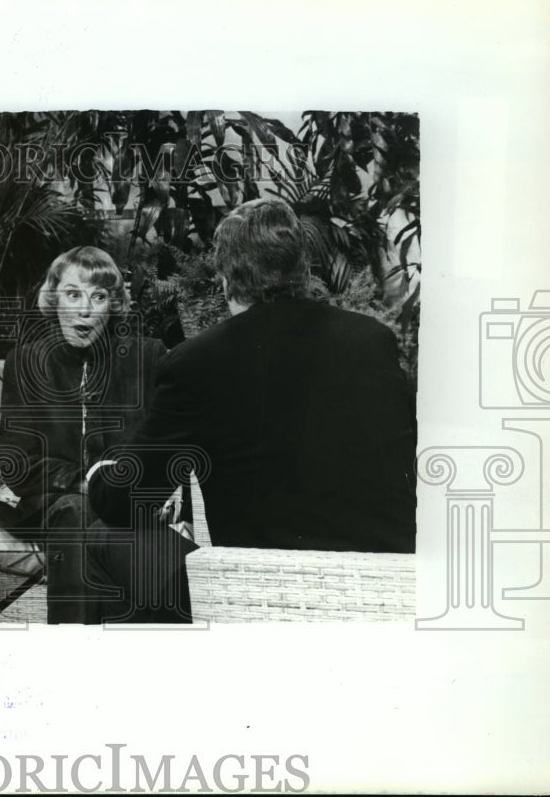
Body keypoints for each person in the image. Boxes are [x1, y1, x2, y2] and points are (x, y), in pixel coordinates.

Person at [86, 197, 417, 622]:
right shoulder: (373, 340)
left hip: (261, 599)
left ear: (225, 279)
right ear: (302, 269)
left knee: (100, 538)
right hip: (381, 602)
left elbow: (123, 501)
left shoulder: (196, 362)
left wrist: (99, 474)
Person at [0, 246, 168, 623]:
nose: (85, 310)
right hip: (48, 503)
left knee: (108, 523)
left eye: (99, 297)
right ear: (53, 298)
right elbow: (17, 464)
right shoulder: (25, 362)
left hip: (125, 500)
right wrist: (86, 482)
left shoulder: (147, 357)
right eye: (73, 294)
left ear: (114, 305)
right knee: (79, 510)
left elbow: (164, 446)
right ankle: (74, 648)